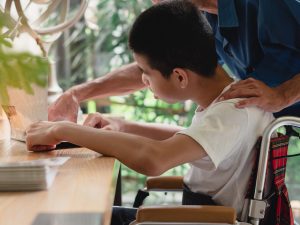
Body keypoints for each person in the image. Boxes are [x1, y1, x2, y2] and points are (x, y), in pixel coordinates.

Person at [27, 1, 274, 224]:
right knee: (83, 213)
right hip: (201, 216)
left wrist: (64, 129)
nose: (143, 80)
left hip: (206, 220)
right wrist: (123, 125)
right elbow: (190, 138)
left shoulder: (234, 111)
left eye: (146, 72)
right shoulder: (226, 102)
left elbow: (154, 159)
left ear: (179, 76)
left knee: (74, 218)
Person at [48, 0, 300, 122]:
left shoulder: (268, 3)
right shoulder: (204, 16)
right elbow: (157, 66)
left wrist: (283, 95)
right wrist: (77, 93)